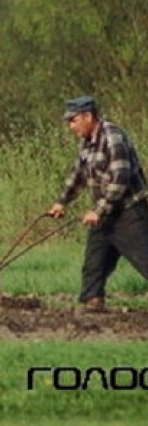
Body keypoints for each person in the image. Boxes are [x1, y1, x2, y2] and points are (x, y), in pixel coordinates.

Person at [48, 96, 148, 312]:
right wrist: (61, 201)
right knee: (95, 261)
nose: (70, 126)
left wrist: (97, 210)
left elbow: (120, 180)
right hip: (106, 213)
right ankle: (92, 302)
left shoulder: (113, 137)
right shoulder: (87, 142)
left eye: (73, 120)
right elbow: (78, 174)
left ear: (88, 116)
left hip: (129, 213)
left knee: (144, 259)